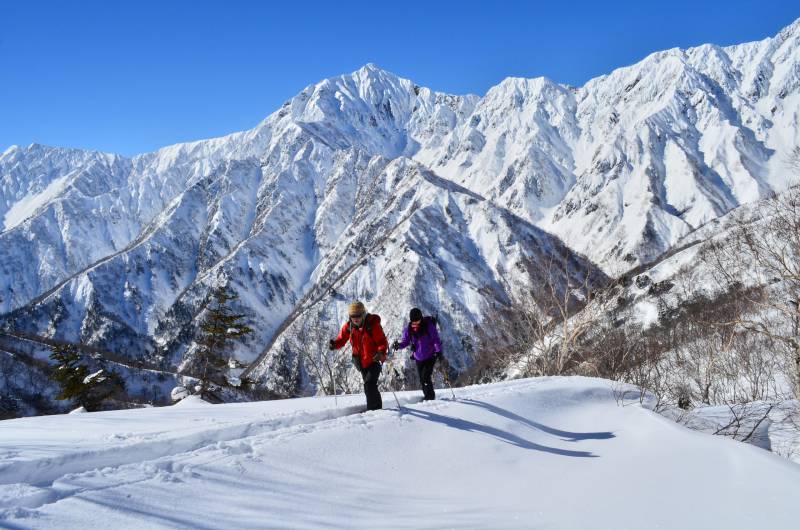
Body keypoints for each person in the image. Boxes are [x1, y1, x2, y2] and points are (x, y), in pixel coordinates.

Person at [329, 300, 388, 411]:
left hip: (374, 360)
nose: (355, 318)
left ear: (363, 314)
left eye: (358, 315)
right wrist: (334, 345)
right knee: (369, 387)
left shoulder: (372, 325)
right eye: (352, 316)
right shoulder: (349, 327)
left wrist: (381, 353)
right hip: (361, 363)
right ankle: (376, 409)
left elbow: (382, 342)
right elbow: (341, 339)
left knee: (369, 385)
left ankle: (373, 410)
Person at [392, 307, 442, 401]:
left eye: (417, 321)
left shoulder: (428, 326)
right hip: (418, 358)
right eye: (413, 321)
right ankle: (427, 396)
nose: (415, 323)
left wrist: (438, 351)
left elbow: (435, 339)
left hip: (430, 356)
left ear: (421, 318)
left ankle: (430, 398)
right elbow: (405, 342)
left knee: (426, 377)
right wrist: (399, 345)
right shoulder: (409, 329)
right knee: (422, 379)